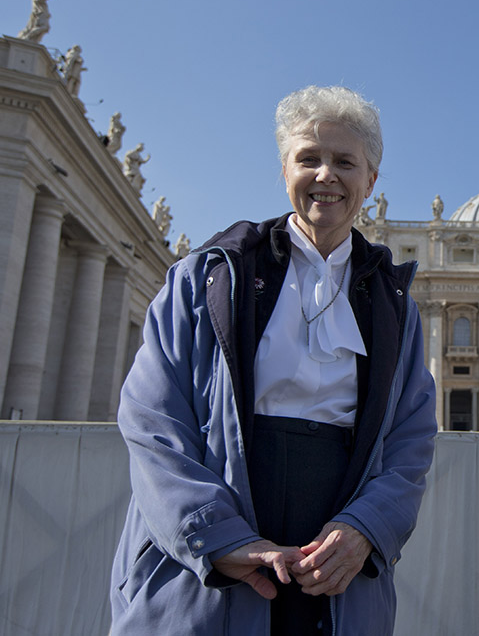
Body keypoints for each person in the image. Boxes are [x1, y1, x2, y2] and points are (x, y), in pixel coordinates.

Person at [109, 86, 437, 635]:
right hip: (215, 547)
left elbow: (411, 438)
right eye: (309, 158)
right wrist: (218, 536)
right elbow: (151, 419)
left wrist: (365, 528)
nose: (326, 175)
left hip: (334, 556)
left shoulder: (394, 303)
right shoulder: (207, 276)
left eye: (345, 162)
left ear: (371, 181)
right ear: (284, 170)